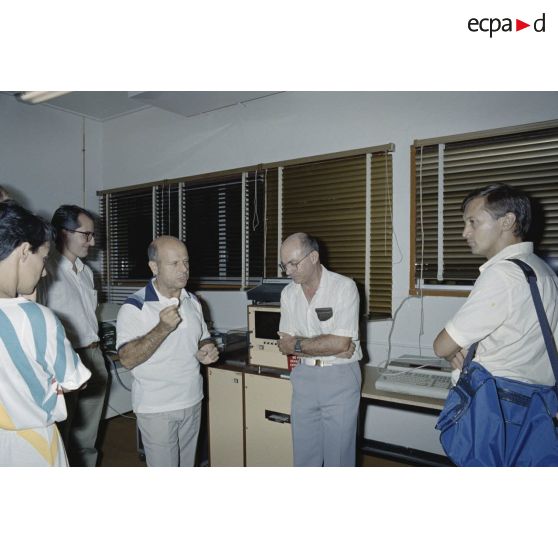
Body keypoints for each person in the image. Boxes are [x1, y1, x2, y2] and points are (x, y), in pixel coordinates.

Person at [433, 183, 558, 389]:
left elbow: (442, 346)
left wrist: (451, 353)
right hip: (535, 397)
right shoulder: (543, 270)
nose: (465, 233)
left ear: (507, 221)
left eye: (473, 222)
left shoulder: (501, 275)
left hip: (495, 399)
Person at [0, 202, 90, 466]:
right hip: (33, 444)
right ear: (24, 251)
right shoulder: (37, 318)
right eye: (43, 258)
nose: (44, 272)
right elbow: (75, 380)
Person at [116, 235, 219, 467]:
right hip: (157, 408)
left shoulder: (193, 301)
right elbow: (127, 359)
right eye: (174, 263)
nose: (184, 269)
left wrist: (206, 348)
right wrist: (162, 328)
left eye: (186, 262)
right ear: (154, 267)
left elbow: (202, 337)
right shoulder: (134, 306)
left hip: (192, 400)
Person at [277, 232, 362, 467]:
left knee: (339, 460)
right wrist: (331, 345)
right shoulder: (288, 294)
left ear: (313, 257)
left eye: (293, 263)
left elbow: (340, 344)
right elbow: (285, 345)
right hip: (303, 376)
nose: (288, 271)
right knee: (304, 459)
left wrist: (302, 344)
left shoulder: (344, 287)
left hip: (340, 377)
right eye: (284, 265)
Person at [39, 205, 108, 466]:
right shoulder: (46, 271)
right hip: (64, 359)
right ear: (63, 233)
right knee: (63, 436)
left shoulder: (87, 272)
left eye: (92, 235)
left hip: (94, 356)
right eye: (86, 235)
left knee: (89, 436)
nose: (92, 242)